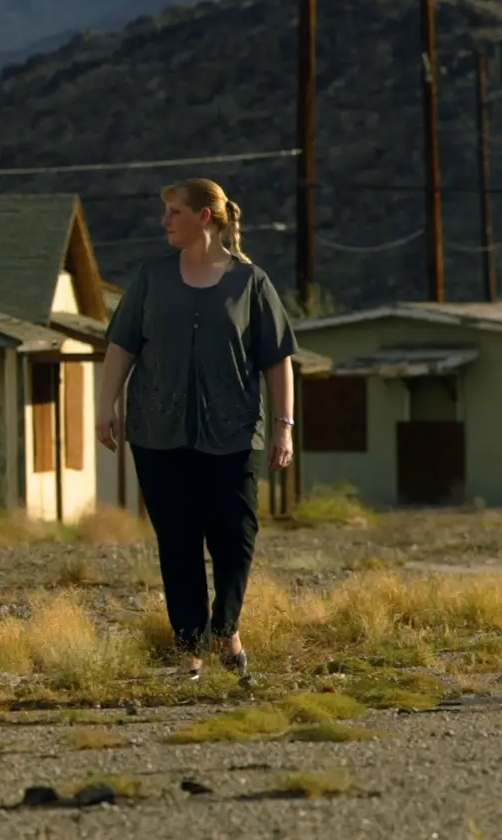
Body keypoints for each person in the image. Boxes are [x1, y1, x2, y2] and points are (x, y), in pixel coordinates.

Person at [96, 178, 296, 685]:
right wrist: (105, 405)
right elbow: (121, 346)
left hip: (234, 433)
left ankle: (226, 629)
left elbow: (278, 360)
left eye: (174, 212)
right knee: (178, 542)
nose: (165, 222)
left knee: (235, 536)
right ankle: (188, 648)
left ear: (203, 218)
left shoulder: (250, 283)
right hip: (158, 432)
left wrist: (283, 426)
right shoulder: (151, 278)